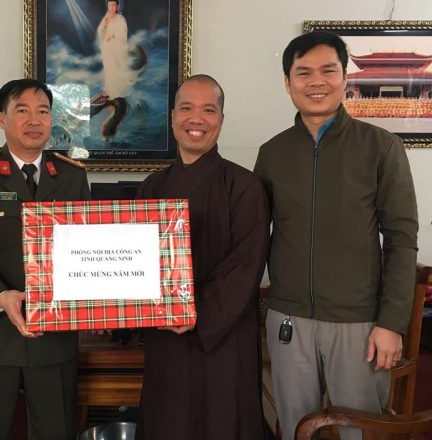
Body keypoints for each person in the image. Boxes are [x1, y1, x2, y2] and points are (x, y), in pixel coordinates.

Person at [254, 31, 419, 440]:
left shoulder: (381, 147)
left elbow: (401, 239)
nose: (316, 81)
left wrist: (391, 323)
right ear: (287, 82)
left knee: (360, 431)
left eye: (328, 70)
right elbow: (255, 236)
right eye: (303, 72)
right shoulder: (272, 153)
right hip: (288, 319)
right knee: (297, 428)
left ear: (345, 77)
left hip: (360, 323)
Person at [0, 78, 91, 439]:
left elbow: (86, 250)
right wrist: (0, 296)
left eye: (43, 111)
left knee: (56, 431)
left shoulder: (72, 176)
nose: (34, 120)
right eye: (22, 110)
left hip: (54, 336)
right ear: (2, 119)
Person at [135, 74, 270, 439]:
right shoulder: (152, 186)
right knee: (167, 420)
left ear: (221, 119)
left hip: (222, 337)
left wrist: (195, 313)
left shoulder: (244, 186)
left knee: (222, 421)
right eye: (186, 108)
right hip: (165, 335)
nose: (196, 119)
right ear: (173, 117)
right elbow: (134, 261)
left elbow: (246, 265)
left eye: (208, 110)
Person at [97, 0, 135, 100]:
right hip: (108, 50)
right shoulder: (106, 17)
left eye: (113, 5)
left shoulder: (121, 19)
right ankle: (110, 91)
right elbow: (100, 31)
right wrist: (105, 25)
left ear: (117, 6)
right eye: (109, 5)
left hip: (117, 50)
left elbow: (122, 34)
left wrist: (113, 35)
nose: (111, 7)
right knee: (109, 71)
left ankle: (117, 93)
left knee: (116, 70)